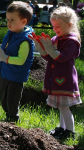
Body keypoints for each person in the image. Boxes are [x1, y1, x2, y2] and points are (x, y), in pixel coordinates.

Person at [29, 6, 82, 140]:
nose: (55, 29)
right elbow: (48, 57)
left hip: (65, 80)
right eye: (53, 26)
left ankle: (69, 131)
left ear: (69, 25)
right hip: (57, 79)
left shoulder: (71, 41)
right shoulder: (56, 39)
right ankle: (62, 128)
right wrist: (40, 47)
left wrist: (49, 48)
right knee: (61, 107)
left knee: (64, 107)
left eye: (58, 26)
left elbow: (62, 57)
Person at [0, 1, 34, 122]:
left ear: (24, 22)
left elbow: (21, 61)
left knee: (12, 100)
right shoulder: (10, 35)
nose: (8, 23)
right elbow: (5, 54)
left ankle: (14, 119)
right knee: (3, 99)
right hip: (4, 74)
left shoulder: (25, 40)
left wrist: (4, 58)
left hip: (16, 77)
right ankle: (8, 117)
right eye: (7, 19)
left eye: (12, 20)